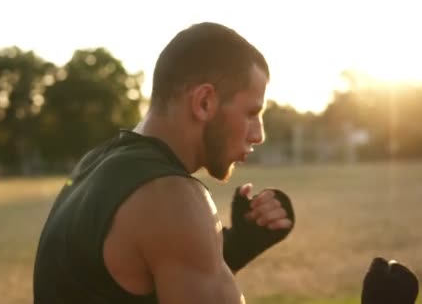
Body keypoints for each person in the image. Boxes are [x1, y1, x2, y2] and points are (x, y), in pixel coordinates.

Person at [33, 22, 296, 304]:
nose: (258, 134)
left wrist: (236, 245)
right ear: (204, 102)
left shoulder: (97, 164)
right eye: (251, 112)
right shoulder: (170, 195)